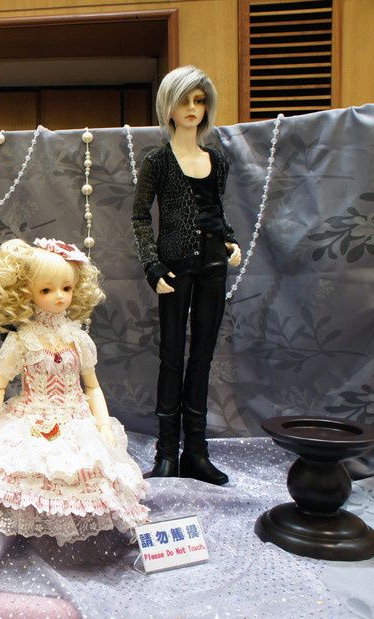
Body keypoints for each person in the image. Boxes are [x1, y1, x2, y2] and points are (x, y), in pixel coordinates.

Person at [0, 239, 148, 555]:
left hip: (76, 420)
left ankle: (136, 526)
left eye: (66, 288)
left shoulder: (78, 339)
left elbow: (92, 387)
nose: (59, 297)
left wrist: (102, 424)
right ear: (26, 292)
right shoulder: (22, 341)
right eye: (47, 290)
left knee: (97, 471)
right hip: (30, 416)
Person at [130, 66, 241, 485]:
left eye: (199, 100)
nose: (193, 108)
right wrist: (152, 265)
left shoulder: (217, 161)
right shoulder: (157, 161)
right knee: (171, 357)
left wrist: (229, 241)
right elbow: (141, 217)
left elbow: (216, 211)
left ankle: (196, 451)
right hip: (174, 267)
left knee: (203, 357)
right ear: (169, 107)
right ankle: (166, 454)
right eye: (184, 101)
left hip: (214, 265)